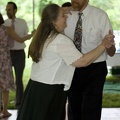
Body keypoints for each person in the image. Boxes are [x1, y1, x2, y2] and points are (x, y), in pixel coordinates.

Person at [16, 3, 114, 120]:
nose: (66, 17)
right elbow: (82, 61)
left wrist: (60, 11)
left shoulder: (43, 35)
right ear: (53, 21)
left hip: (36, 87)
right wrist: (103, 45)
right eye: (63, 16)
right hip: (50, 90)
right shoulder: (59, 39)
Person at [64, 0, 116, 120]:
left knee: (91, 109)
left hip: (95, 70)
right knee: (73, 108)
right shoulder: (66, 16)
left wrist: (109, 44)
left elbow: (111, 52)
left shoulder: (100, 16)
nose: (74, 0)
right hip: (72, 68)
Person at [0, 13, 34, 118]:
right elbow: (20, 39)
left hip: (5, 58)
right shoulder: (7, 29)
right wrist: (32, 35)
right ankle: (4, 110)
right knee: (4, 87)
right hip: (4, 59)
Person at [4, 1, 30, 109]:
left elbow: (25, 35)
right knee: (5, 80)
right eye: (6, 9)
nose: (7, 11)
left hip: (19, 54)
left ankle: (19, 104)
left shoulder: (22, 22)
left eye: (9, 9)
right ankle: (3, 104)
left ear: (15, 10)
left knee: (19, 79)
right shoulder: (4, 23)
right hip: (7, 55)